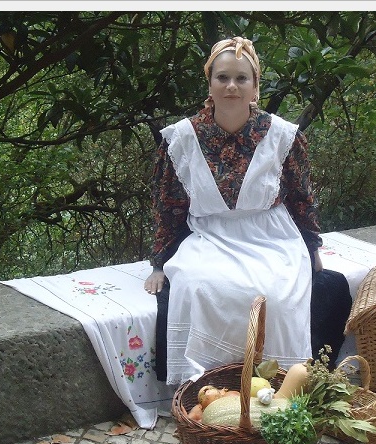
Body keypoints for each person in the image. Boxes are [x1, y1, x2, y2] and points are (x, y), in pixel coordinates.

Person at [144, 36, 352, 386]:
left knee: (278, 296)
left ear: (255, 86)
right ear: (210, 83)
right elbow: (168, 205)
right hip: (209, 236)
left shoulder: (283, 136)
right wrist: (159, 263)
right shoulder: (181, 139)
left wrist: (312, 247)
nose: (232, 86)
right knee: (199, 287)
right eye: (223, 77)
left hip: (271, 237)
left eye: (241, 78)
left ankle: (276, 382)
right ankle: (211, 384)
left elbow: (302, 198)